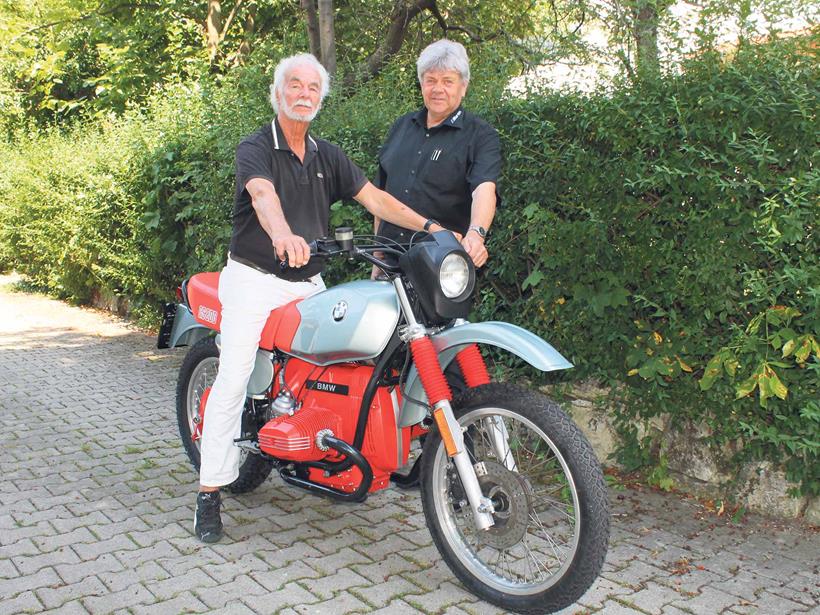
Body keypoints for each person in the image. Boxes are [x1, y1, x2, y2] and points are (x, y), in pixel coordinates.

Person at [195, 52, 451, 543]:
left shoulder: (326, 155)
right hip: (252, 278)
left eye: (313, 88)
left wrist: (433, 228)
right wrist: (283, 235)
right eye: (295, 85)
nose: (304, 94)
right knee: (231, 378)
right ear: (278, 92)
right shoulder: (256, 147)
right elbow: (262, 196)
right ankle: (209, 492)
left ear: (321, 97)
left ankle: (320, 439)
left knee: (341, 359)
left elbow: (376, 199)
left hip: (306, 281)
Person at [372, 39, 501, 275]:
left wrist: (476, 234)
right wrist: (376, 258)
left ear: (463, 86)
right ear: (421, 84)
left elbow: (484, 189)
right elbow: (380, 196)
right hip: (389, 263)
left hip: (442, 269)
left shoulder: (481, 135)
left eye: (447, 81)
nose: (437, 89)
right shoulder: (401, 127)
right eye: (430, 80)